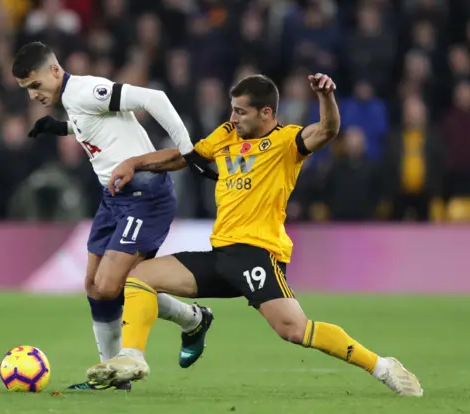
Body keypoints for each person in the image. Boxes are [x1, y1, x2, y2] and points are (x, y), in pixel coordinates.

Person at [86, 74, 424, 397]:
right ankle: (132, 356)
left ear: (266, 113)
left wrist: (325, 96)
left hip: (258, 255)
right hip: (221, 254)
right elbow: (184, 157)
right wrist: (135, 163)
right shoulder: (227, 134)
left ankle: (383, 367)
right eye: (232, 109)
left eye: (241, 111)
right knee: (139, 277)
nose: (233, 116)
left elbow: (327, 129)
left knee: (294, 330)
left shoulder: (286, 143)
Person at [11, 42, 216, 391]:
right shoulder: (73, 101)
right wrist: (59, 128)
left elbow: (155, 99)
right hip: (115, 197)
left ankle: (193, 319)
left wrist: (188, 150)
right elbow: (95, 127)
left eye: (35, 85)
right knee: (95, 287)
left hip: (145, 196)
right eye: (27, 90)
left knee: (110, 285)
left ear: (55, 71)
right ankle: (110, 377)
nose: (33, 95)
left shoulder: (86, 89)